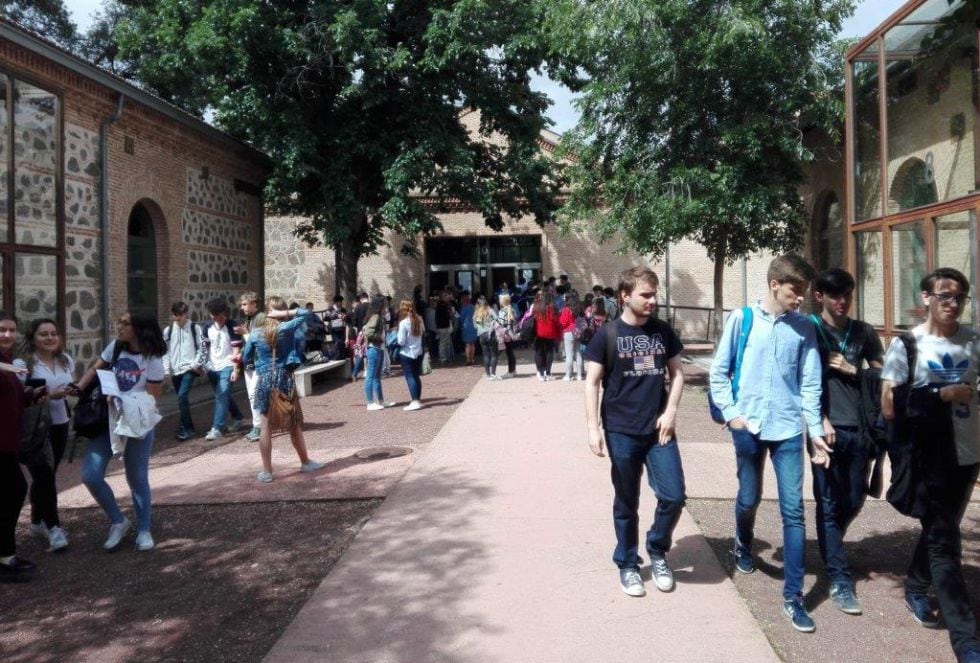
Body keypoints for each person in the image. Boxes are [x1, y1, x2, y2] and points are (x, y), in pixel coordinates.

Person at [708, 254, 826, 633]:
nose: (801, 299)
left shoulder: (805, 327)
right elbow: (718, 371)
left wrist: (816, 433)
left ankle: (793, 597)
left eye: (804, 292)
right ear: (775, 284)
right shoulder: (742, 320)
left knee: (794, 511)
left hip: (789, 429)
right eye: (796, 291)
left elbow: (810, 384)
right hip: (748, 425)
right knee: (749, 497)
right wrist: (731, 413)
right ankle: (743, 542)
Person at [881, 268, 980, 663]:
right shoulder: (907, 345)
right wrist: (940, 394)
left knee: (945, 528)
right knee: (944, 543)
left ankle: (916, 586)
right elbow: (890, 407)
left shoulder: (974, 341)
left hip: (968, 454)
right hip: (928, 459)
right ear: (926, 298)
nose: (952, 304)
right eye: (944, 296)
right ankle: (967, 641)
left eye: (959, 297)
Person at [584, 267, 686, 598]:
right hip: (621, 430)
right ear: (625, 296)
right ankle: (628, 563)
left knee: (673, 495)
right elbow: (592, 382)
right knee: (627, 500)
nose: (652, 301)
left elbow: (678, 373)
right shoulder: (608, 334)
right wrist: (593, 428)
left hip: (658, 429)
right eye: (645, 294)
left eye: (655, 294)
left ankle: (657, 549)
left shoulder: (662, 332)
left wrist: (670, 412)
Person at [808, 268, 884, 615]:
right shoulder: (810, 329)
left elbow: (884, 375)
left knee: (853, 498)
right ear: (819, 296)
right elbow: (797, 378)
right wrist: (816, 421)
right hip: (825, 429)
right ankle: (839, 578)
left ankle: (831, 538)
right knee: (827, 502)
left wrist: (855, 370)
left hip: (860, 429)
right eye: (835, 295)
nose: (842, 302)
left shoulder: (863, 332)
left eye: (847, 295)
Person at [71, 312, 166, 552]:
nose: (119, 327)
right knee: (90, 475)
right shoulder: (115, 347)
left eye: (125, 323)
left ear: (139, 329)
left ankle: (144, 530)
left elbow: (153, 397)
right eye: (120, 322)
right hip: (107, 421)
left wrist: (124, 399)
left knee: (136, 478)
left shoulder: (152, 359)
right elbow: (95, 369)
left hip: (137, 423)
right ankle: (118, 520)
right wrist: (79, 386)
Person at [242, 298, 325, 483]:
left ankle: (267, 471)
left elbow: (245, 357)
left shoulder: (255, 334)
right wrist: (285, 314)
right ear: (279, 312)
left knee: (265, 427)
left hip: (264, 379)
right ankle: (305, 462)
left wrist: (255, 363)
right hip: (284, 378)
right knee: (293, 423)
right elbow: (307, 314)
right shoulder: (285, 328)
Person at [14, 319, 75, 552]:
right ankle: (54, 528)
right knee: (45, 476)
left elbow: (71, 385)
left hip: (60, 424)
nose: (49, 338)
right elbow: (21, 397)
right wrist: (51, 396)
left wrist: (75, 391)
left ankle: (37, 522)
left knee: (46, 476)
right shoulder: (24, 364)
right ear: (33, 338)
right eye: (43, 334)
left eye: (53, 333)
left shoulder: (65, 360)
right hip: (35, 429)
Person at [0, 311, 43, 580]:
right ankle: (5, 557)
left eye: (12, 330)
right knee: (14, 490)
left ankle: (5, 554)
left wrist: (30, 397)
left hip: (8, 443)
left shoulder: (7, 362)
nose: (7, 335)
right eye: (2, 330)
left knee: (11, 493)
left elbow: (11, 398)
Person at [163, 301, 207, 441]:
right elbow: (165, 351)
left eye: (180, 316)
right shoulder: (168, 331)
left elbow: (202, 347)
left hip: (190, 368)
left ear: (185, 314)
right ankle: (189, 426)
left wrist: (195, 364)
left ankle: (186, 428)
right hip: (176, 370)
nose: (177, 319)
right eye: (175, 316)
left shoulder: (195, 328)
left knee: (182, 396)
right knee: (182, 400)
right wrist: (166, 369)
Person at [203, 297, 246, 441]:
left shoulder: (232, 326)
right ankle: (238, 417)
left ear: (224, 312)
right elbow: (205, 348)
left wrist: (235, 369)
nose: (216, 318)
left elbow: (236, 350)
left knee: (221, 396)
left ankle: (217, 428)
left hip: (227, 366)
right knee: (223, 394)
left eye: (218, 315)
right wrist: (204, 365)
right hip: (212, 367)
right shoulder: (207, 327)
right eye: (213, 315)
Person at [234, 292, 267, 442]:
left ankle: (259, 426)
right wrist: (240, 354)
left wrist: (245, 332)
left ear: (254, 304)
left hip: (258, 361)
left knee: (255, 394)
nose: (242, 307)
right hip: (249, 362)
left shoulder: (260, 318)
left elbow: (258, 341)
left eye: (245, 304)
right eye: (241, 305)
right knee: (251, 394)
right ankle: (258, 425)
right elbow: (247, 343)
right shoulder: (248, 319)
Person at [362, 295, 394, 410]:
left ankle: (380, 401)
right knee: (371, 376)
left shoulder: (378, 317)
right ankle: (370, 403)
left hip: (378, 348)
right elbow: (367, 332)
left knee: (376, 376)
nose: (386, 306)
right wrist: (379, 337)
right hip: (374, 348)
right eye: (384, 304)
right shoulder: (375, 317)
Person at [397, 300, 425, 411]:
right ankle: (418, 399)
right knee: (416, 375)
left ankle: (414, 401)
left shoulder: (403, 323)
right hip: (418, 351)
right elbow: (423, 333)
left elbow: (401, 341)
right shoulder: (420, 319)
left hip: (407, 352)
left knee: (409, 376)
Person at [533, 291, 562, 381]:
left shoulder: (537, 307)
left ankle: (541, 373)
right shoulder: (553, 308)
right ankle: (548, 372)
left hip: (539, 333)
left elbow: (534, 320)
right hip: (551, 333)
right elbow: (557, 322)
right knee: (549, 352)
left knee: (539, 352)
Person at [473, 296, 500, 380]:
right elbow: (497, 320)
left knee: (485, 355)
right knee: (494, 355)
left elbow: (475, 327)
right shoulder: (490, 310)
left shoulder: (476, 314)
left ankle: (488, 374)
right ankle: (493, 374)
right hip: (491, 334)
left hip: (482, 336)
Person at [560, 292, 582, 380]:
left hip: (568, 332)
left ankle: (568, 375)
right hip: (578, 331)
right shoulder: (579, 308)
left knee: (569, 354)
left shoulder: (566, 309)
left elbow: (563, 322)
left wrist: (560, 317)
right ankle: (579, 375)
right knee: (578, 352)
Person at [497, 293, 519, 377]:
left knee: (509, 353)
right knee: (511, 353)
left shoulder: (502, 311)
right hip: (512, 334)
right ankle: (513, 370)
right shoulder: (512, 309)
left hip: (505, 334)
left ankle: (510, 371)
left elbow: (501, 323)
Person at [435, 291, 455, 364]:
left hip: (443, 326)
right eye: (446, 296)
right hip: (443, 326)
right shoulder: (442, 305)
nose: (448, 297)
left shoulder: (442, 305)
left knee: (445, 342)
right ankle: (443, 358)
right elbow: (446, 315)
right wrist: (450, 314)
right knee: (443, 343)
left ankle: (446, 357)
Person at [459, 291, 477, 365]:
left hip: (466, 326)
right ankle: (472, 359)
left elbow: (461, 318)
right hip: (473, 326)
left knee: (467, 344)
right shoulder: (473, 307)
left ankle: (468, 359)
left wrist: (460, 325)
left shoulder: (464, 308)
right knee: (472, 344)